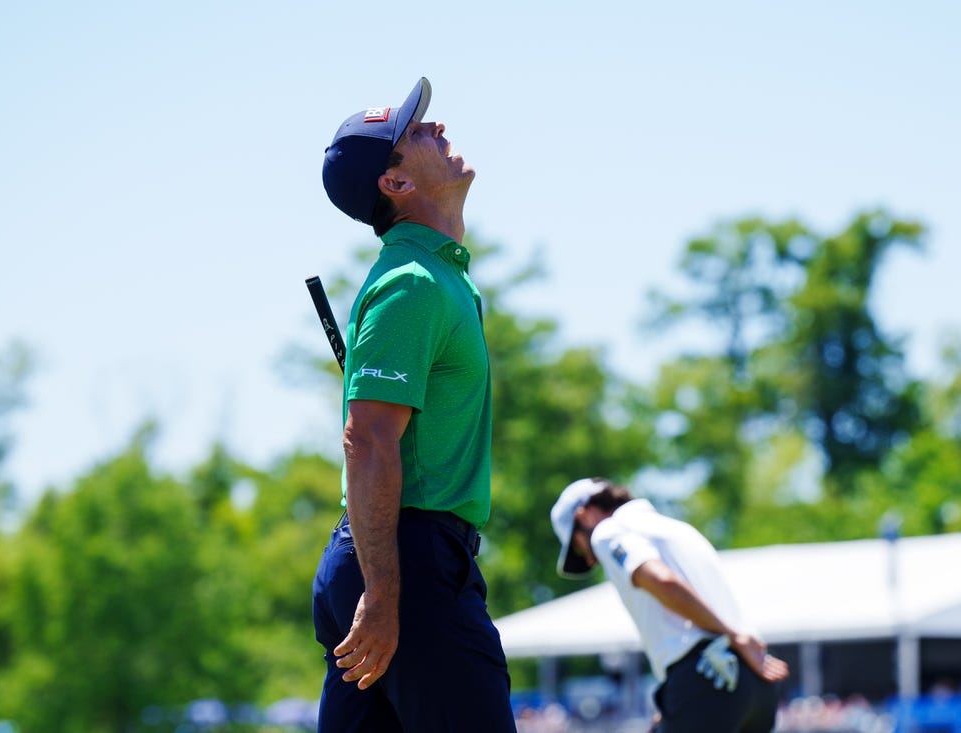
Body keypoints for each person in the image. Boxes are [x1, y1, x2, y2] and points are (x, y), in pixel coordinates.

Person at [311, 77, 517, 733]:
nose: (438, 130)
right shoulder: (413, 282)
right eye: (415, 133)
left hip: (389, 564)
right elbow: (368, 439)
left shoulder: (437, 276)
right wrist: (385, 593)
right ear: (395, 185)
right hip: (408, 569)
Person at [550, 477, 790, 733]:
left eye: (577, 548)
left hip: (710, 673)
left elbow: (662, 581)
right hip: (756, 682)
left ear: (584, 515)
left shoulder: (607, 531)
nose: (588, 560)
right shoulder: (679, 529)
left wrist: (731, 636)